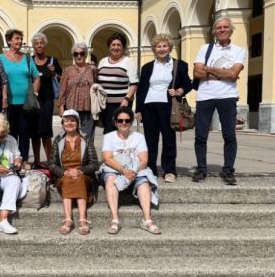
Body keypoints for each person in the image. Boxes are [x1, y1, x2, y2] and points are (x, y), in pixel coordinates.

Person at [192, 16, 246, 185]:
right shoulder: (205, 48)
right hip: (205, 96)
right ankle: (201, 169)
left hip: (227, 96)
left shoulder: (238, 50)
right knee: (200, 135)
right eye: (219, 28)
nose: (222, 30)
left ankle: (228, 170)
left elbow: (233, 74)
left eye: (225, 27)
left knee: (229, 135)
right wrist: (223, 73)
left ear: (230, 30)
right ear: (214, 31)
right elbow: (197, 73)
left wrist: (208, 69)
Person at [135, 33, 192, 183]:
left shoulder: (180, 65)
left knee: (168, 139)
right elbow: (141, 89)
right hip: (149, 107)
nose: (161, 49)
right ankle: (150, 168)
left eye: (164, 46)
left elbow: (188, 84)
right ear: (154, 49)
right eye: (158, 46)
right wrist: (138, 109)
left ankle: (169, 170)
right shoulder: (147, 67)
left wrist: (179, 91)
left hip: (168, 107)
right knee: (150, 140)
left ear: (170, 47)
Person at [101, 106, 161, 235]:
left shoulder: (139, 137)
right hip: (114, 169)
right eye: (120, 120)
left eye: (127, 121)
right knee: (111, 179)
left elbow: (144, 160)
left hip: (135, 169)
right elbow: (107, 158)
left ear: (131, 121)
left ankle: (147, 219)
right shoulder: (109, 136)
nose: (124, 123)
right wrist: (123, 171)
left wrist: (132, 172)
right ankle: (115, 219)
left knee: (144, 182)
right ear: (115, 122)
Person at [49, 109, 99, 235]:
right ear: (62, 124)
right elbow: (52, 164)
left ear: (78, 123)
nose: (69, 123)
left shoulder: (86, 139)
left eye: (72, 121)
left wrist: (80, 171)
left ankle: (82, 220)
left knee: (78, 178)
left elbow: (94, 163)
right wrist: (64, 172)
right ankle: (68, 220)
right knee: (67, 179)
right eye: (66, 121)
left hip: (83, 175)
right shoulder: (58, 140)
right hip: (64, 175)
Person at [0, 29, 40, 169]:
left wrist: (34, 94)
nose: (19, 41)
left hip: (25, 104)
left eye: (20, 38)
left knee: (24, 133)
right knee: (9, 133)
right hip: (8, 103)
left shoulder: (27, 58)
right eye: (16, 38)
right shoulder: (0, 58)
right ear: (9, 41)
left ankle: (23, 160)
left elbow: (36, 77)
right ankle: (10, 159)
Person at [97, 32, 138, 134]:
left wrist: (126, 99)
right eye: (113, 45)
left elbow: (134, 84)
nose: (116, 47)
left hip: (121, 104)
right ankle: (109, 150)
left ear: (123, 47)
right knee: (108, 129)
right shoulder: (103, 61)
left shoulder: (129, 62)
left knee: (116, 131)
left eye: (119, 45)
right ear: (109, 47)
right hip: (104, 104)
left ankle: (115, 150)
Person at [31, 33, 62, 164]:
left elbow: (63, 78)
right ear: (33, 45)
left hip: (47, 101)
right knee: (35, 132)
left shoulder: (52, 60)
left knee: (46, 131)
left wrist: (54, 72)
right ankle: (37, 161)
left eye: (41, 43)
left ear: (45, 45)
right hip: (33, 100)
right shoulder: (29, 60)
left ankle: (50, 162)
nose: (39, 45)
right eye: (36, 43)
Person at [58, 43, 96, 138]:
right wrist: (61, 107)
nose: (79, 56)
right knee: (71, 139)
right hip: (71, 111)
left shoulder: (92, 70)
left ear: (86, 54)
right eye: (76, 54)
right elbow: (62, 90)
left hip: (88, 111)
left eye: (82, 53)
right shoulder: (67, 70)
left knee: (86, 140)